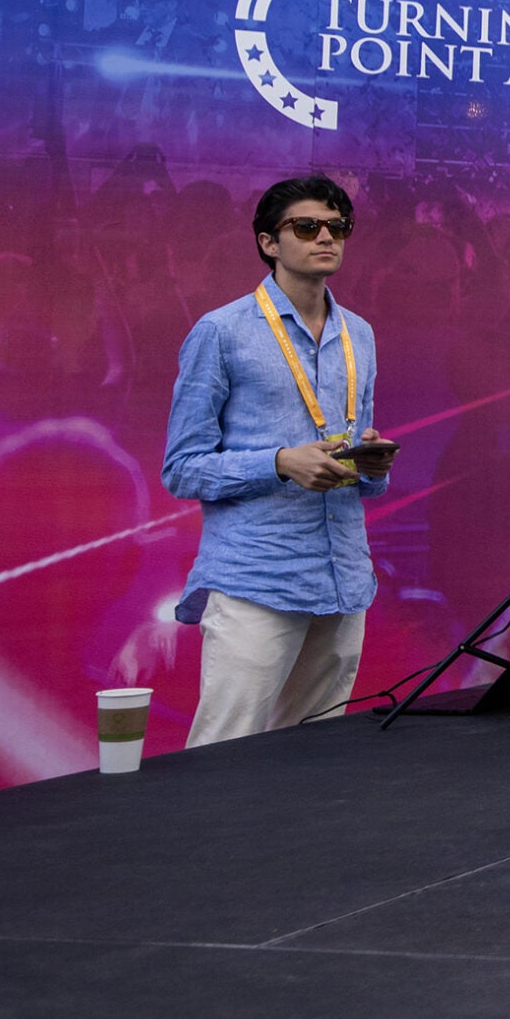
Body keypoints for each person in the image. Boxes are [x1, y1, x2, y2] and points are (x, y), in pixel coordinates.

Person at [162, 174, 397, 745]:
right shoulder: (221, 332)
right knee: (223, 752)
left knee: (316, 755)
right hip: (257, 577)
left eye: (338, 227)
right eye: (308, 227)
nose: (327, 237)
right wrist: (280, 462)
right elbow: (182, 467)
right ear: (268, 242)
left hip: (343, 575)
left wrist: (371, 465)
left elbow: (360, 469)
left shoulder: (359, 334)